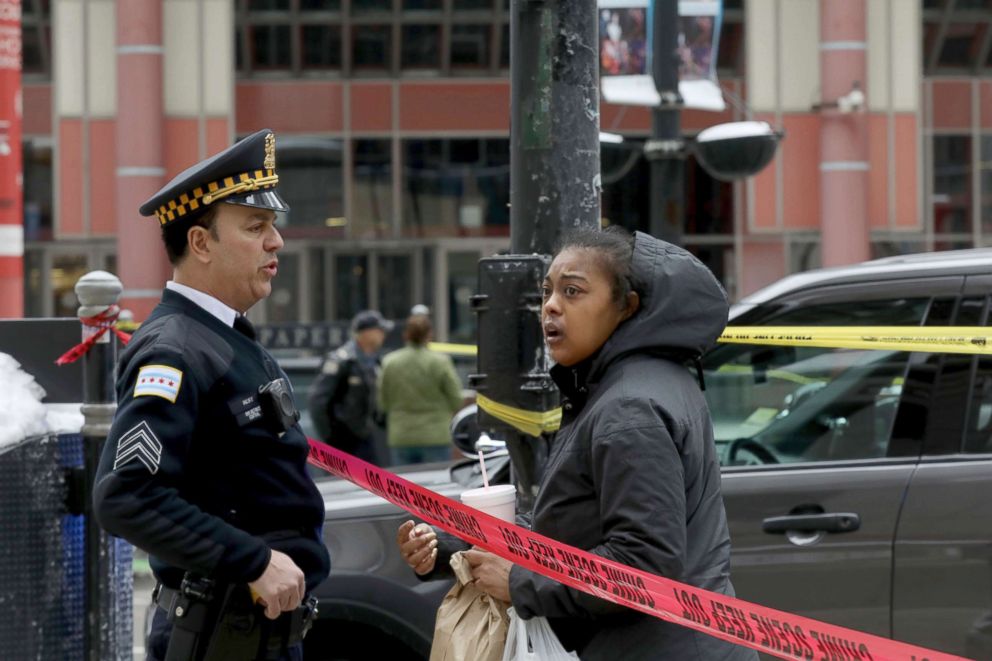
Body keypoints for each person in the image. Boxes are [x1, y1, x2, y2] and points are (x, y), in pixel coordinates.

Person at [397, 227, 756, 660]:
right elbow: (576, 528)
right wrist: (453, 548)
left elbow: (643, 565)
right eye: (547, 291)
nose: (550, 305)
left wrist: (519, 582)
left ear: (627, 307)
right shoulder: (627, 386)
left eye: (573, 291)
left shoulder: (629, 407)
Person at [92, 129, 330, 661]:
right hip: (222, 635)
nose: (277, 242)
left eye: (272, 226)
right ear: (200, 243)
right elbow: (126, 495)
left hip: (255, 631)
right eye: (256, 227)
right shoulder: (175, 350)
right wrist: (254, 561)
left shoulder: (222, 335)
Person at [309, 309, 392, 465]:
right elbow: (318, 403)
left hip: (364, 437)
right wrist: (331, 440)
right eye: (380, 330)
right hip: (342, 443)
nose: (383, 335)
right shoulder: (341, 361)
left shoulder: (374, 362)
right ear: (366, 333)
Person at [379, 314, 463, 465]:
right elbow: (456, 398)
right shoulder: (440, 362)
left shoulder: (389, 362)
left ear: (406, 334)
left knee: (402, 485)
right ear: (429, 334)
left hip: (401, 435)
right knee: (435, 484)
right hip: (435, 435)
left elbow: (382, 401)